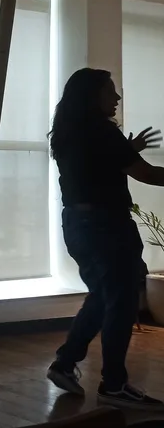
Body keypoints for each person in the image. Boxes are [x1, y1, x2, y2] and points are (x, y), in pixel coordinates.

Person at [46, 68, 164, 410]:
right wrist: (127, 151)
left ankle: (65, 363)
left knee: (103, 296)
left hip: (78, 224)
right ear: (92, 95)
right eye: (110, 92)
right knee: (121, 303)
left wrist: (126, 149)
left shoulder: (68, 131)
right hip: (106, 226)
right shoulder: (102, 131)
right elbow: (146, 173)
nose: (117, 98)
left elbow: (95, 166)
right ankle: (113, 385)